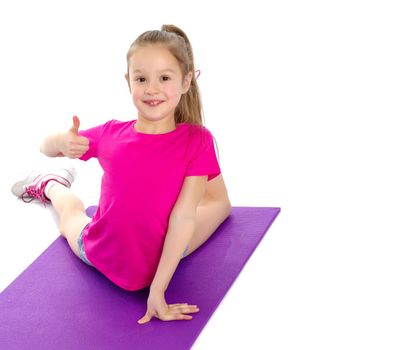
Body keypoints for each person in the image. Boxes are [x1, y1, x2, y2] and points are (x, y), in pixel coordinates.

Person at [11, 24, 232, 324]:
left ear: (186, 81)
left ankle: (53, 185)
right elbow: (45, 146)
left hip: (162, 256)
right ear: (129, 82)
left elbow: (183, 216)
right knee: (70, 215)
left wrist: (158, 289)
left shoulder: (197, 140)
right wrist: (62, 142)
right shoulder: (111, 135)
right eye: (141, 78)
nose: (151, 88)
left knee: (220, 207)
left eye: (164, 78)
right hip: (98, 250)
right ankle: (50, 184)